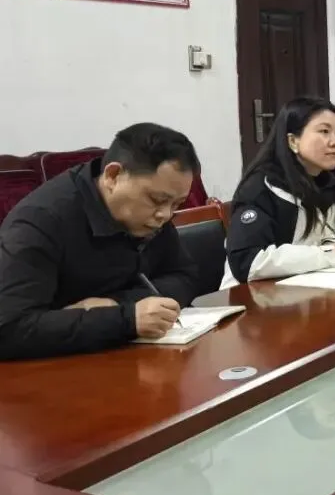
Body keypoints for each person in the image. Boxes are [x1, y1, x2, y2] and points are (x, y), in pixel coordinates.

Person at [0, 123, 201, 360]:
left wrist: (117, 304)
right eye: (157, 200)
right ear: (113, 176)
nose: (165, 215)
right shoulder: (40, 220)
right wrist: (127, 319)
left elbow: (184, 276)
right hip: (47, 368)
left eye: (176, 204)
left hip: (120, 355)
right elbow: (10, 328)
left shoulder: (150, 214)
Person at [223, 96, 335, 287]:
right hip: (252, 296)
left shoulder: (333, 181)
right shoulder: (262, 187)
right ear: (293, 141)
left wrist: (334, 243)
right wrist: (324, 255)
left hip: (310, 288)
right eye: (324, 131)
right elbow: (247, 262)